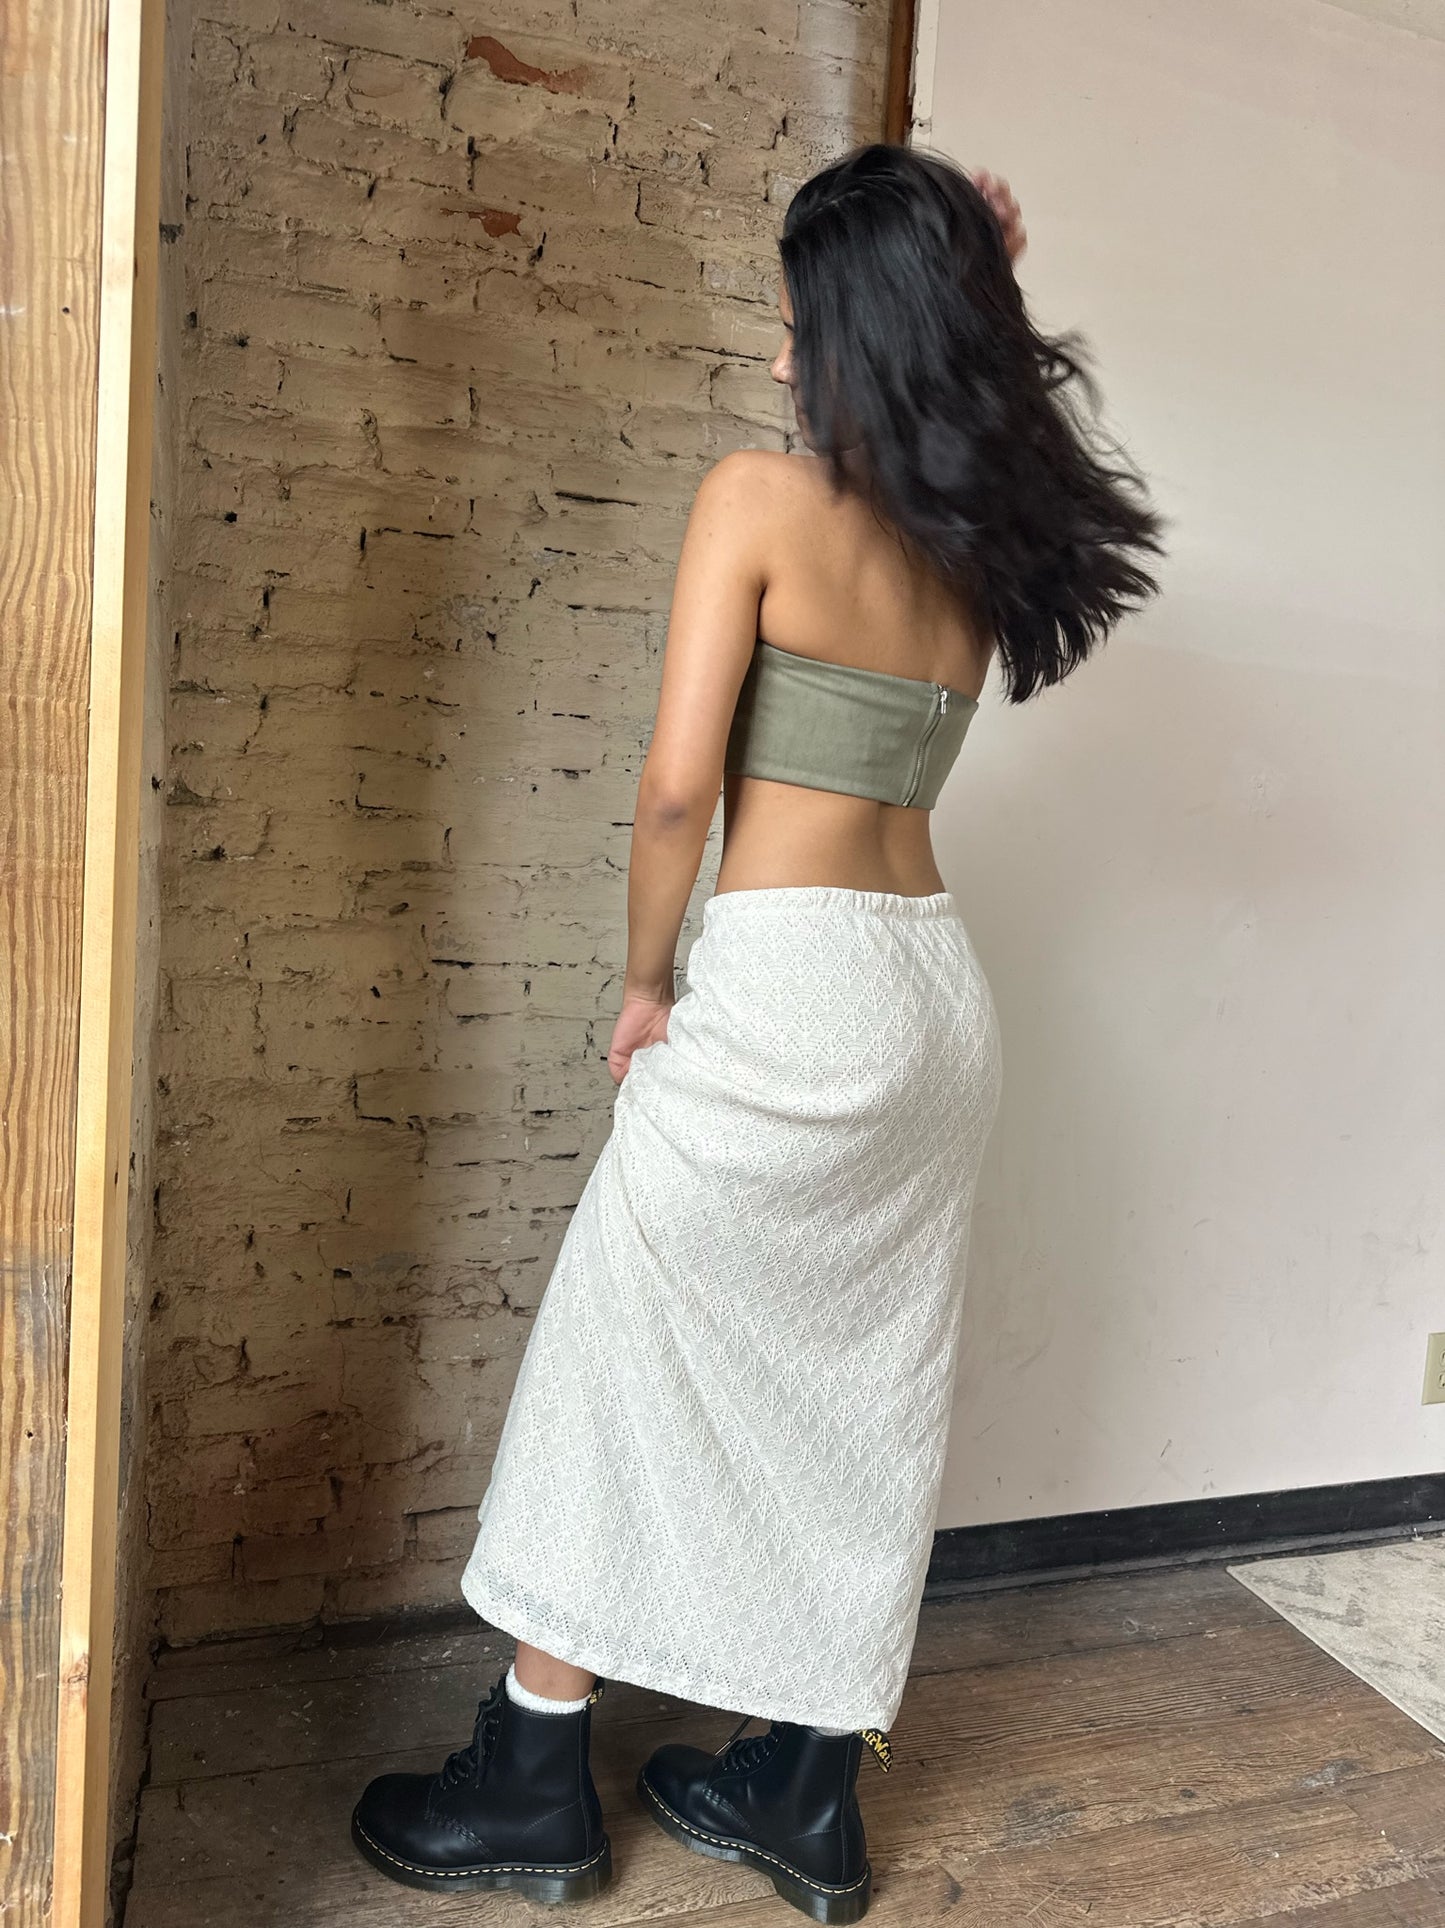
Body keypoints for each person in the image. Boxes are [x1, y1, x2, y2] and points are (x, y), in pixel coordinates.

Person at [350, 140, 1166, 1919]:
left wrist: (647, 979)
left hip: (791, 987)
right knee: (858, 1392)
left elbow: (673, 793)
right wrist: (975, 272)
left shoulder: (755, 501)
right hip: (930, 997)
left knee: (617, 1351)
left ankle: (531, 1776)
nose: (784, 354)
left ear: (858, 335)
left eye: (804, 321)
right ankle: (803, 1788)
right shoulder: (976, 540)